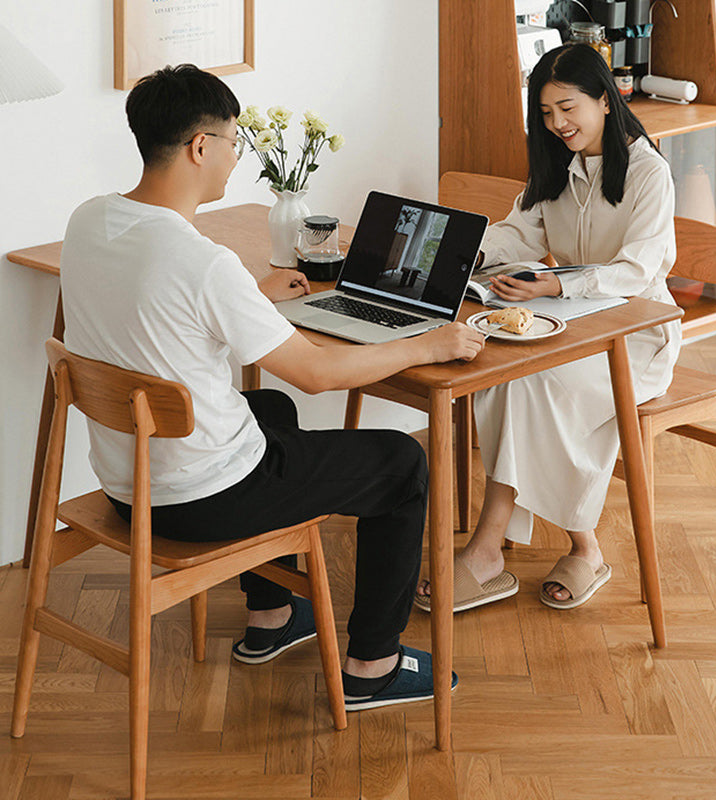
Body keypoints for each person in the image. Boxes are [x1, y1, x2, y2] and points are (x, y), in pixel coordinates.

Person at [59, 64, 485, 711]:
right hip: (201, 498)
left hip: (130, 484)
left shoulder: (89, 221)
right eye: (233, 142)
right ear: (201, 147)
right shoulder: (203, 262)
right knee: (403, 464)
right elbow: (318, 371)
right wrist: (429, 342)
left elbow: (150, 316)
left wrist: (248, 303)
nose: (237, 157)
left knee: (271, 406)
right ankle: (374, 663)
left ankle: (272, 618)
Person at [416, 43, 681, 613]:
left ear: (605, 100)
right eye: (545, 113)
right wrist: (455, 251)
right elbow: (518, 235)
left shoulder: (648, 173)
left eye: (568, 108)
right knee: (502, 375)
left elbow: (636, 273)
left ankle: (490, 550)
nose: (557, 124)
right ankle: (582, 547)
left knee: (538, 386)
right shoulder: (558, 165)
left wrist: (555, 286)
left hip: (637, 335)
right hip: (569, 326)